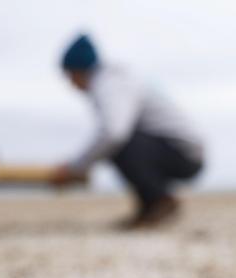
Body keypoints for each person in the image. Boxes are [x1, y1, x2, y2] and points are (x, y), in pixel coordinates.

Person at [50, 34, 204, 229]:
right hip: (175, 147)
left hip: (184, 153)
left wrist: (75, 167)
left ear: (79, 70)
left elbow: (113, 132)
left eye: (70, 75)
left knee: (118, 144)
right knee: (119, 143)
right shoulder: (114, 79)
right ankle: (150, 207)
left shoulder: (110, 83)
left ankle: (159, 201)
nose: (71, 84)